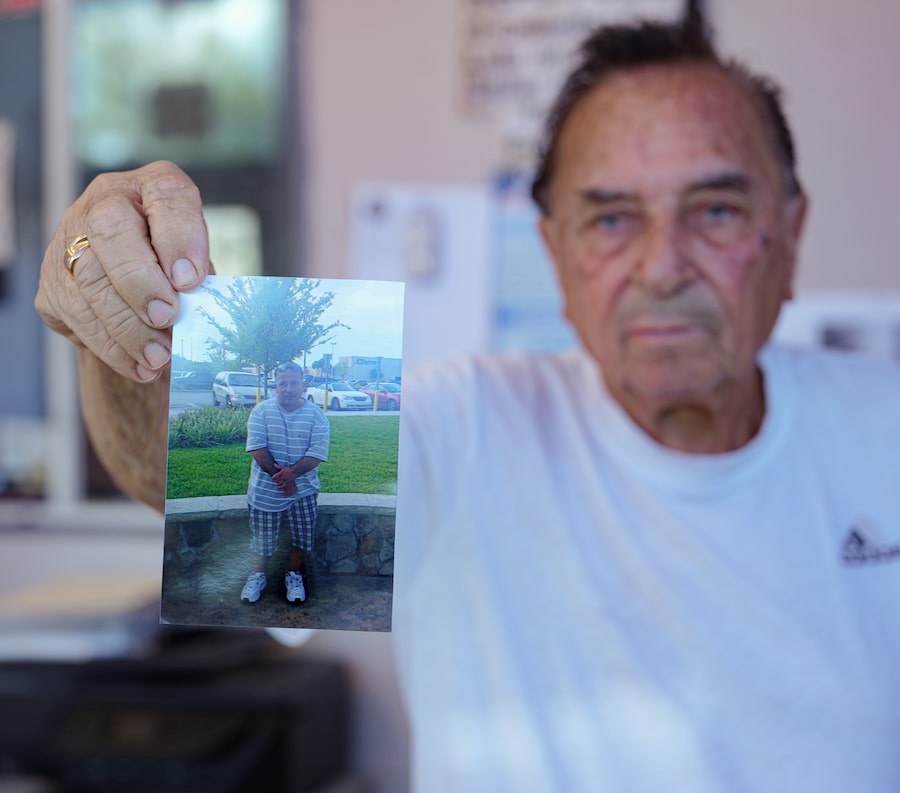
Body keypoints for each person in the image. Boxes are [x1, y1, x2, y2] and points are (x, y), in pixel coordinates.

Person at [35, 16, 900, 793]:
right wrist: (123, 320)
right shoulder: (465, 427)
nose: (663, 266)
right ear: (554, 251)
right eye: (611, 219)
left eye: (715, 209)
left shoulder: (884, 425)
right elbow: (176, 481)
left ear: (790, 233)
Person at [242, 360, 330, 604]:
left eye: (294, 383)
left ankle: (294, 577)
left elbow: (318, 452)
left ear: (303, 385)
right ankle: (257, 577)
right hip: (264, 492)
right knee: (261, 540)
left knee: (300, 539)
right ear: (275, 385)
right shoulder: (261, 411)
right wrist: (282, 479)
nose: (288, 389)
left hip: (304, 491)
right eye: (283, 384)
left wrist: (292, 474)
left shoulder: (316, 415)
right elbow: (257, 448)